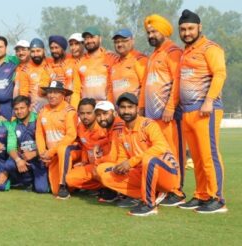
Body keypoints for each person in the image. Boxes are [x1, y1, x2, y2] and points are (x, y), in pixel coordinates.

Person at [96, 92, 184, 216]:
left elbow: (161, 147)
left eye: (130, 107)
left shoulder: (148, 124)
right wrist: (120, 167)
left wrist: (131, 162)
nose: (126, 111)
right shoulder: (120, 131)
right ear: (118, 110)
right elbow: (122, 157)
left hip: (167, 174)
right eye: (122, 107)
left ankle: (149, 204)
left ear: (137, 109)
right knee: (104, 172)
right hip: (142, 172)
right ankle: (155, 193)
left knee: (149, 159)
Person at [176, 9, 227, 213]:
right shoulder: (184, 52)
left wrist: (209, 100)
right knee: (196, 157)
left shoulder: (210, 48)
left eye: (190, 28)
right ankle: (201, 195)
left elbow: (220, 74)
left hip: (206, 110)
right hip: (187, 112)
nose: (187, 32)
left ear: (200, 27)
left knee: (208, 155)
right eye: (183, 29)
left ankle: (217, 198)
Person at [139, 14, 186, 206]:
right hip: (152, 116)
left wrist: (170, 106)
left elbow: (177, 81)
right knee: (158, 152)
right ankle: (165, 188)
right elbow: (146, 84)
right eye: (148, 32)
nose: (150, 35)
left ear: (164, 31)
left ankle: (177, 191)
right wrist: (141, 107)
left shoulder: (173, 52)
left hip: (168, 116)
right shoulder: (153, 55)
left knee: (173, 152)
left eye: (154, 31)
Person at [0, 96, 49, 193]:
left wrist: (34, 153)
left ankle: (36, 180)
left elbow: (48, 143)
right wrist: (18, 160)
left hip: (39, 157)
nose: (19, 112)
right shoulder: (13, 125)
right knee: (9, 165)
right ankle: (23, 181)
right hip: (23, 157)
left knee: (42, 189)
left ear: (29, 107)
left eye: (22, 108)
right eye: (16, 109)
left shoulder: (39, 120)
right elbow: (11, 147)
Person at [36, 81, 77, 199]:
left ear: (63, 94)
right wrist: (43, 152)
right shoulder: (43, 110)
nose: (51, 95)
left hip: (69, 151)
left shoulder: (69, 111)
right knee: (54, 190)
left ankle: (64, 185)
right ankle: (67, 184)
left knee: (63, 150)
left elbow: (71, 136)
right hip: (51, 155)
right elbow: (39, 133)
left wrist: (51, 152)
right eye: (49, 92)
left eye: (55, 92)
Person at [64, 99, 112, 195]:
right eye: (82, 113)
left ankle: (109, 187)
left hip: (106, 165)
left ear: (95, 113)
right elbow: (84, 146)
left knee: (103, 173)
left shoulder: (104, 126)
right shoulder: (79, 127)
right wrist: (84, 161)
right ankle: (100, 187)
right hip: (90, 165)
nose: (85, 117)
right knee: (69, 179)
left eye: (89, 113)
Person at [78, 27, 118, 101]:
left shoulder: (111, 58)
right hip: (87, 109)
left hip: (106, 106)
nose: (89, 41)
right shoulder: (79, 62)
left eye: (92, 37)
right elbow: (76, 91)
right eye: (86, 38)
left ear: (100, 39)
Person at [109, 28, 147, 102]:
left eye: (124, 41)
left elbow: (145, 87)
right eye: (116, 42)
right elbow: (111, 89)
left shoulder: (139, 60)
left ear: (133, 41)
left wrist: (141, 107)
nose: (119, 44)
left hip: (134, 110)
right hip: (118, 111)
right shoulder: (114, 63)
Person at [16, 38, 52, 112]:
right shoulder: (25, 69)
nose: (35, 54)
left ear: (44, 51)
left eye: (38, 51)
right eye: (33, 51)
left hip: (51, 106)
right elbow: (23, 93)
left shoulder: (51, 64)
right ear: (29, 52)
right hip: (33, 108)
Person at [47, 35, 81, 108]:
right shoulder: (49, 66)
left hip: (79, 104)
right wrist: (51, 81)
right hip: (61, 106)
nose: (54, 50)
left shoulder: (74, 61)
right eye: (51, 48)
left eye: (56, 47)